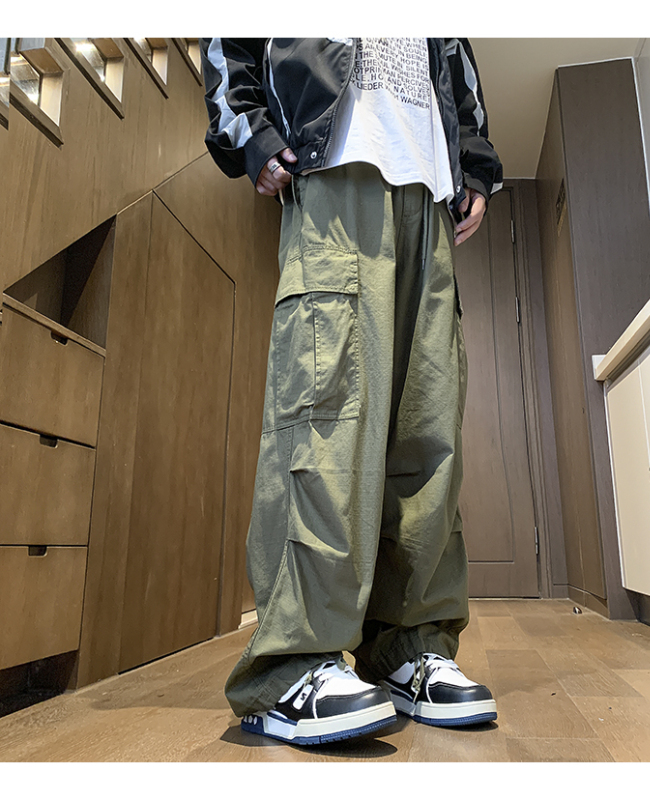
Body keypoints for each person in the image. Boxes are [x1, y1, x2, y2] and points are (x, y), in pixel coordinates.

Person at [199, 37, 504, 746]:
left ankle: (408, 648)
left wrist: (475, 167)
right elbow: (227, 42)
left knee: (427, 431)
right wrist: (253, 133)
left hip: (429, 188)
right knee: (325, 416)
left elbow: (457, 70)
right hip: (334, 165)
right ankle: (292, 664)